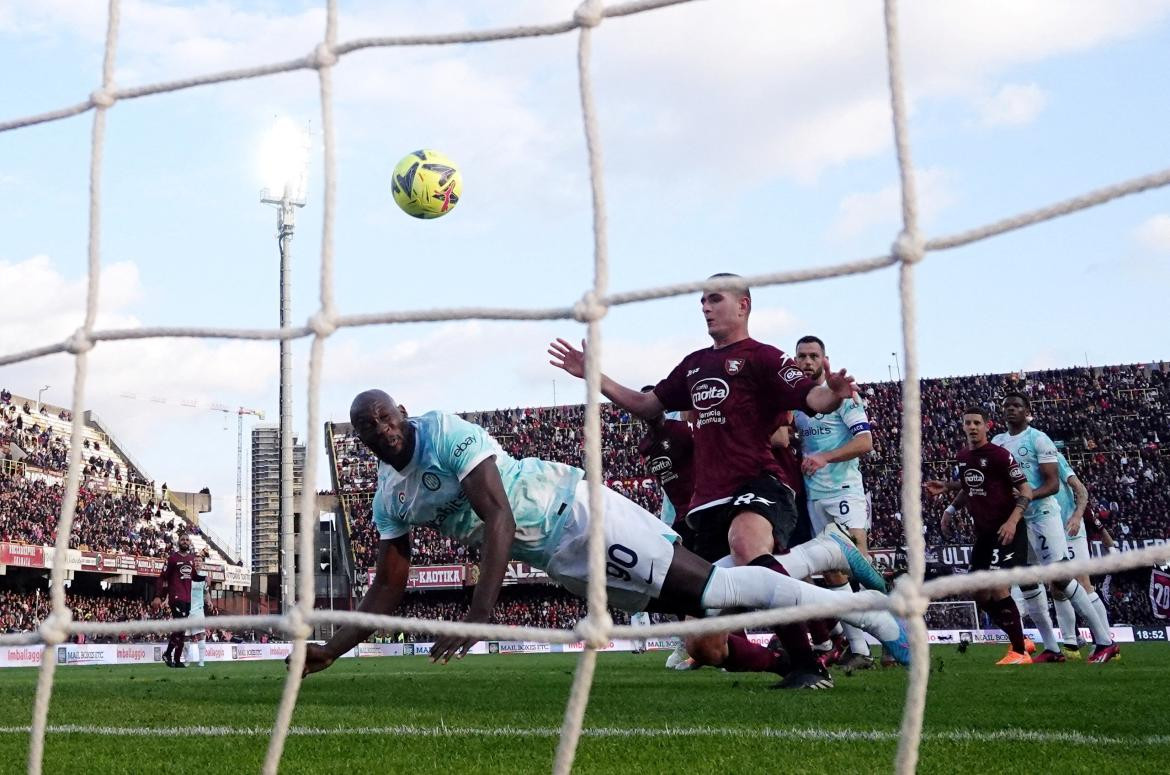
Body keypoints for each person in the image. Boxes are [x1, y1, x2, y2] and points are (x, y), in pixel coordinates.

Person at [295, 391, 908, 681]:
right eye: (365, 426)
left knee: (716, 593)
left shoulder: (444, 432)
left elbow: (499, 518)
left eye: (385, 416)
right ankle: (824, 554)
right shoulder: (389, 497)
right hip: (561, 558)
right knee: (705, 615)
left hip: (576, 515)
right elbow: (386, 588)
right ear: (359, 439)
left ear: (402, 413)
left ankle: (872, 617)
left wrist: (480, 614)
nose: (379, 429)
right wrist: (332, 648)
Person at [549, 274, 868, 689]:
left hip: (758, 482)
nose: (705, 307)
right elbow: (648, 404)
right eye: (701, 301)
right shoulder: (694, 364)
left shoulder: (764, 357)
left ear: (743, 306)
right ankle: (786, 656)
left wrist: (834, 392)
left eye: (714, 299)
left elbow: (812, 398)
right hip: (706, 503)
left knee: (748, 545)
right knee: (703, 646)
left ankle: (810, 662)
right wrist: (596, 377)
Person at [992, 393, 1118, 663]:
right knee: (1031, 582)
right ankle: (1055, 647)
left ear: (1027, 412)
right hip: (1020, 520)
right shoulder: (998, 443)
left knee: (1069, 580)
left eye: (1017, 406)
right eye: (1007, 406)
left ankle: (1105, 641)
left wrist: (1076, 516)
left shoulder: (1040, 441)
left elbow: (1063, 486)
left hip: (1051, 519)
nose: (1011, 410)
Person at [924, 407, 1035, 665]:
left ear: (986, 426)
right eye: (967, 423)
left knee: (997, 585)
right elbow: (970, 486)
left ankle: (1019, 652)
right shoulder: (963, 456)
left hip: (1008, 530)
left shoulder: (999, 455)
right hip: (984, 533)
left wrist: (1012, 521)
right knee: (977, 592)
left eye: (977, 423)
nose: (972, 427)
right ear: (962, 427)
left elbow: (1026, 490)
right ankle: (1020, 639)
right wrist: (950, 507)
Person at [792, 335, 876, 671]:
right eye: (801, 356)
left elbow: (865, 442)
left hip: (844, 492)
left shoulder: (844, 399)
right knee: (832, 572)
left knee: (859, 566)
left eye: (813, 356)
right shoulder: (799, 404)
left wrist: (825, 456)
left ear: (824, 359)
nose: (807, 361)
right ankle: (860, 650)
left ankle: (897, 636)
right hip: (814, 496)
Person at [1050, 450, 1113, 659]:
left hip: (1070, 528)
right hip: (1050, 529)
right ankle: (1070, 645)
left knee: (1084, 585)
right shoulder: (1025, 461)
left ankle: (1107, 641)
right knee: (1056, 587)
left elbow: (1081, 490)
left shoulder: (1054, 457)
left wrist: (1077, 516)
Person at [152, 535, 198, 668]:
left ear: (189, 543)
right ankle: (168, 653)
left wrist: (204, 578)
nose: (185, 541)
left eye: (187, 539)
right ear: (178, 542)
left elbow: (194, 576)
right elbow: (162, 577)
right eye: (182, 539)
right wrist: (158, 596)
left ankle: (177, 660)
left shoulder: (191, 559)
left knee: (182, 630)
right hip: (176, 598)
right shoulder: (172, 559)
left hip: (187, 599)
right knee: (180, 627)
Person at [187, 549, 210, 667]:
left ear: (202, 563)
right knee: (185, 636)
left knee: (201, 634)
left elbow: (206, 592)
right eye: (195, 560)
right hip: (186, 608)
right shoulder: (187, 575)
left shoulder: (204, 577)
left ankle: (201, 660)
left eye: (199, 561)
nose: (197, 562)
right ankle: (187, 660)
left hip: (199, 610)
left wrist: (209, 601)